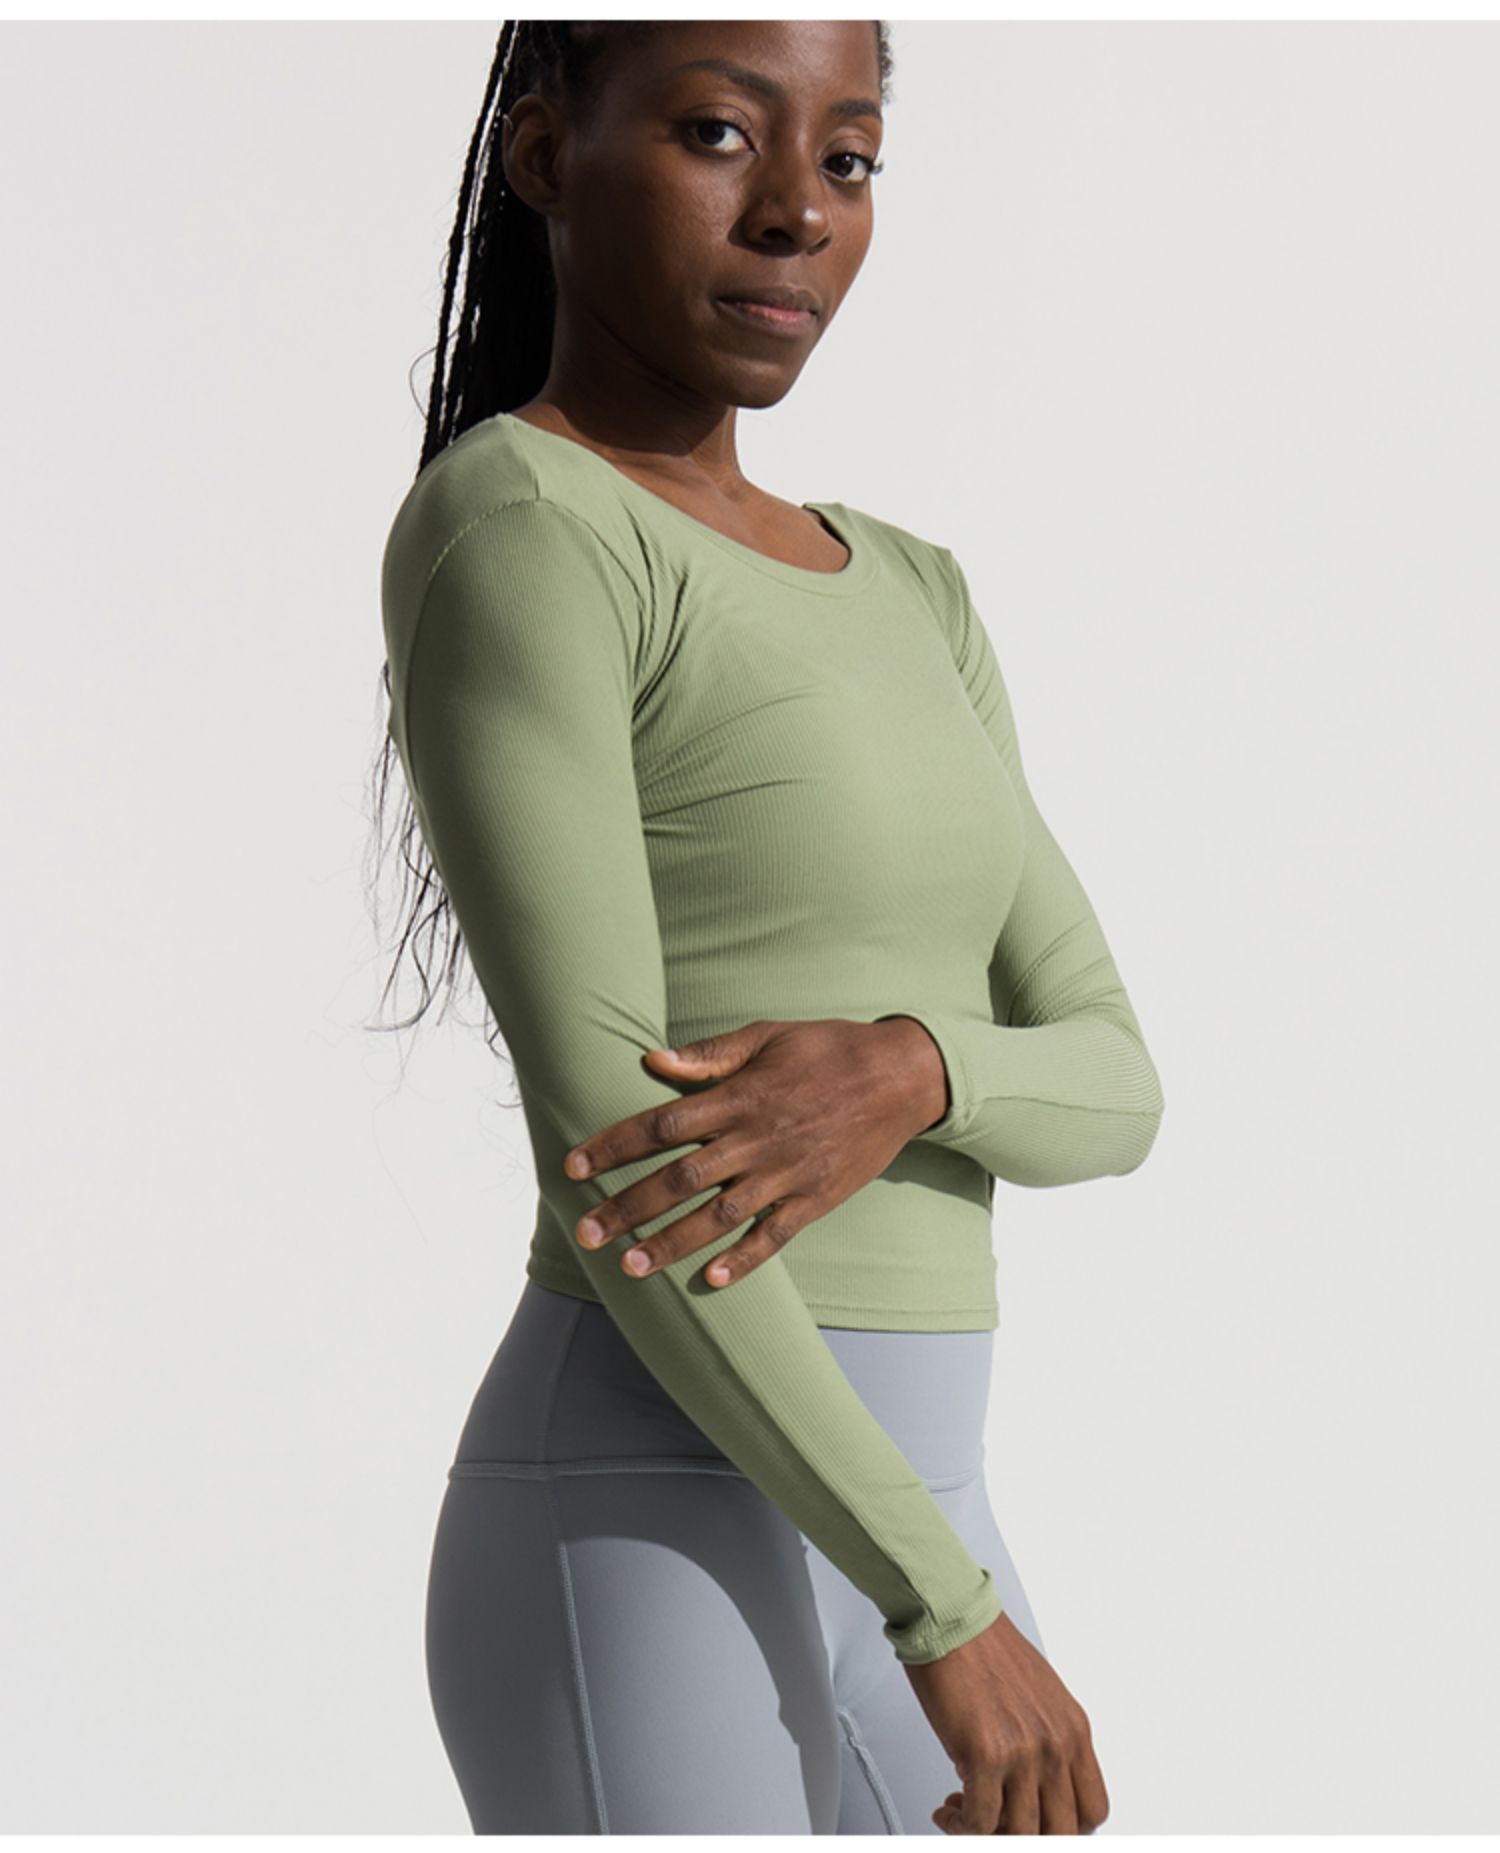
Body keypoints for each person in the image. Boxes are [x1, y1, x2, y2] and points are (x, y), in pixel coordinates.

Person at [368, 19, 1164, 1836]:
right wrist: (945, 1612)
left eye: (850, 156)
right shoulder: (526, 524)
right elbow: (617, 1148)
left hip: (924, 1504)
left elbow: (1116, 1084)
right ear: (547, 154)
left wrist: (913, 1069)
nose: (800, 209)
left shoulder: (915, 590)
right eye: (723, 133)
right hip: (640, 1520)